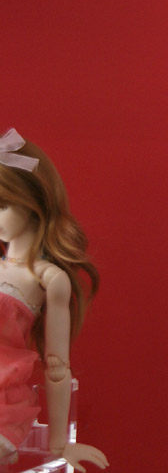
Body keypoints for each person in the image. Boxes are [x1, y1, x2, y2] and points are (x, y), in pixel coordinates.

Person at [0, 128, 108, 472]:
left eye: (2, 206)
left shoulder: (48, 278)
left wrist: (60, 445)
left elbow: (57, 367)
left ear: (32, 202)